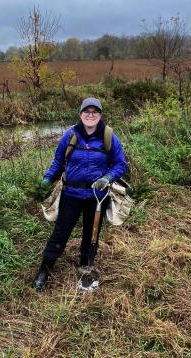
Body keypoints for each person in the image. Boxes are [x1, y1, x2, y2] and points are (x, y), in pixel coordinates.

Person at [32, 97, 127, 291]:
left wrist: (107, 178)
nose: (90, 115)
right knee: (60, 233)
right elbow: (58, 161)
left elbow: (120, 164)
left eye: (95, 112)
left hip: (97, 197)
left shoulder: (109, 136)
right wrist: (47, 179)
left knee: (91, 235)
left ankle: (86, 267)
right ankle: (44, 271)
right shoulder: (70, 135)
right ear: (80, 114)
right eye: (87, 111)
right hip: (71, 194)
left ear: (100, 115)